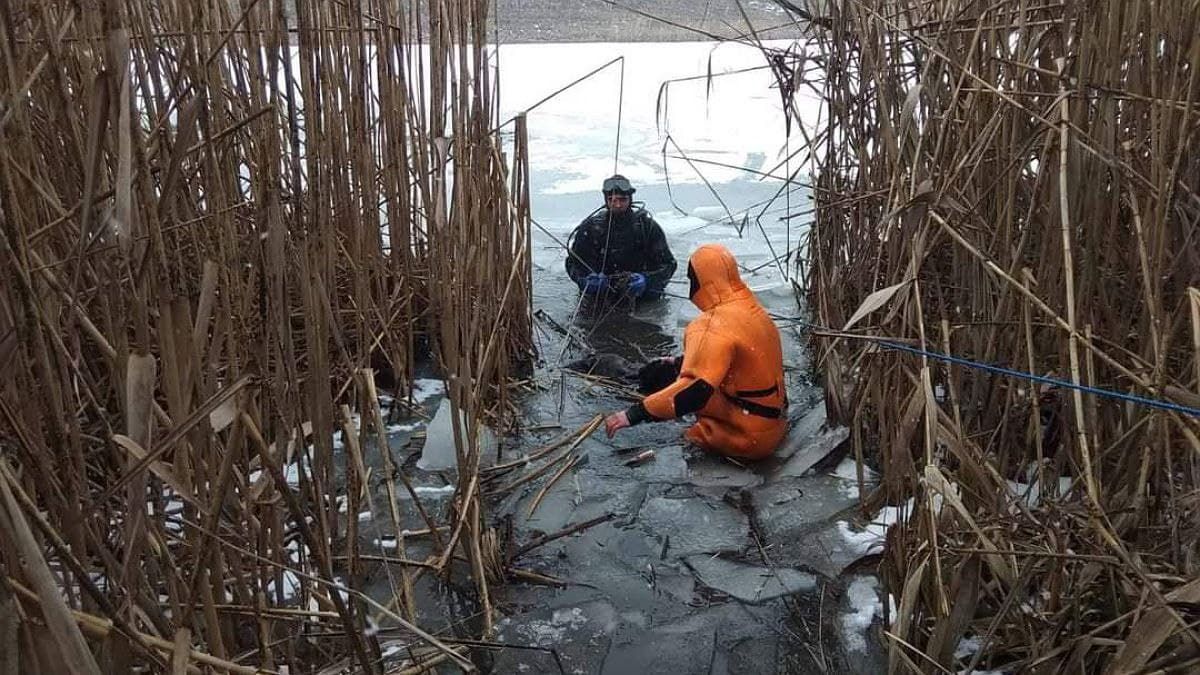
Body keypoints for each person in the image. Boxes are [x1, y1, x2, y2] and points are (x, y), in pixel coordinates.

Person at [603, 244, 787, 459]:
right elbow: (742, 363)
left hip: (747, 439)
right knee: (674, 371)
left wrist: (634, 414)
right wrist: (682, 363)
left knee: (678, 393)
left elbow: (694, 392)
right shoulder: (752, 310)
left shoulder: (712, 324)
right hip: (776, 423)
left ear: (701, 281)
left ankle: (703, 437)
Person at [565, 174, 676, 300]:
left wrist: (647, 280)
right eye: (612, 200)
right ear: (606, 201)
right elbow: (572, 263)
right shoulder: (591, 228)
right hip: (600, 297)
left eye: (622, 199)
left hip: (640, 298)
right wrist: (584, 280)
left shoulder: (646, 227)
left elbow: (669, 265)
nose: (617, 205)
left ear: (630, 200)